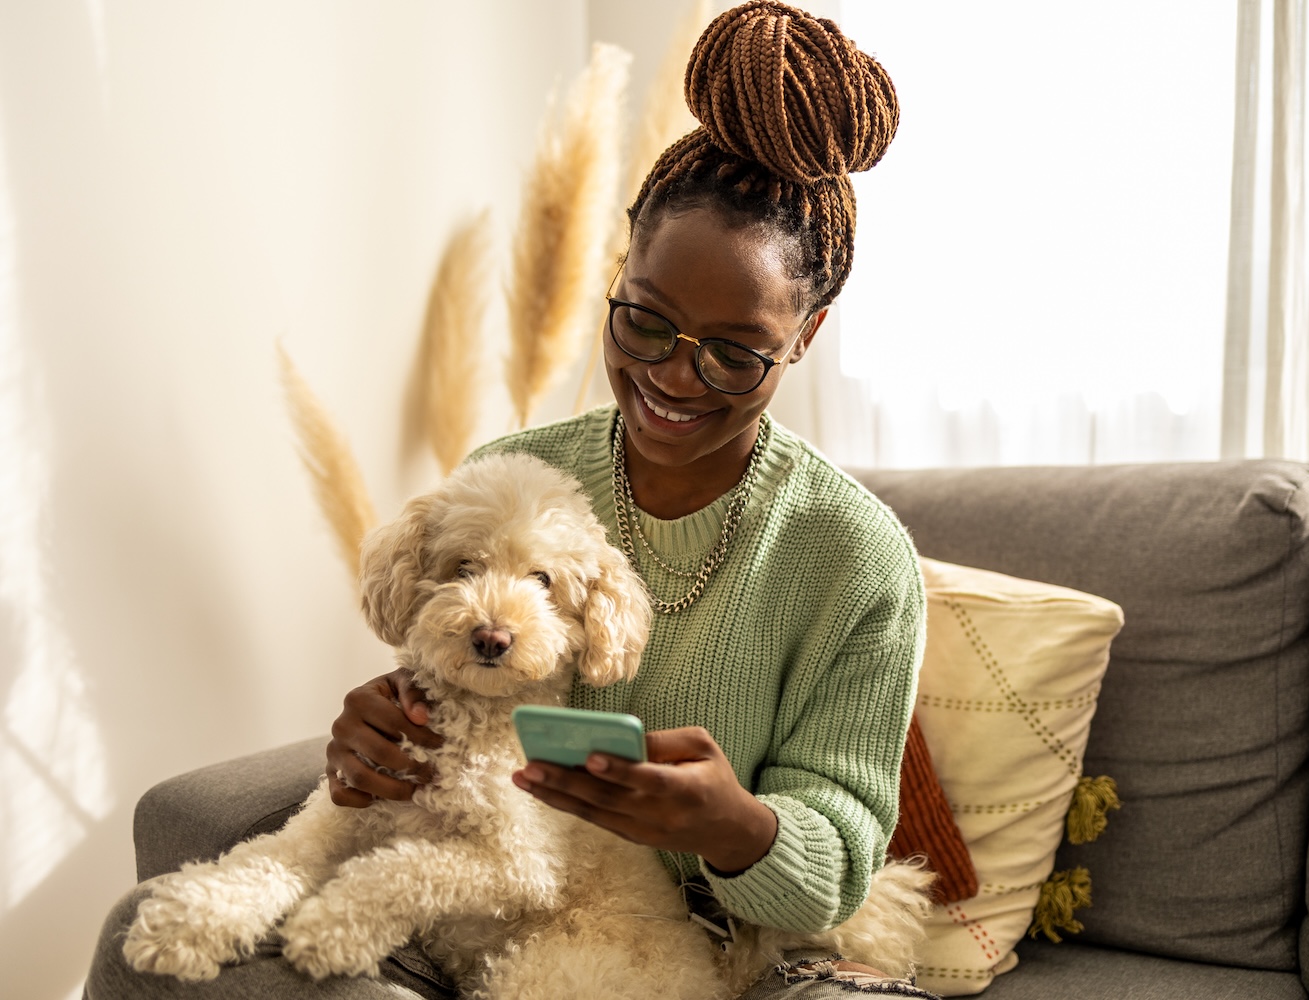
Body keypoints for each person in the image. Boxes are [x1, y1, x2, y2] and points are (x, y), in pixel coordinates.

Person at [87, 3, 934, 997]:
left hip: (748, 948)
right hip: (482, 909)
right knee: (140, 937)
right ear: (621, 265)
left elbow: (834, 869)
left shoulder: (855, 556)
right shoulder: (520, 471)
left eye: (736, 351)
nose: (676, 375)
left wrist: (734, 826)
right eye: (647, 321)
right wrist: (378, 733)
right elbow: (457, 670)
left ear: (807, 332)